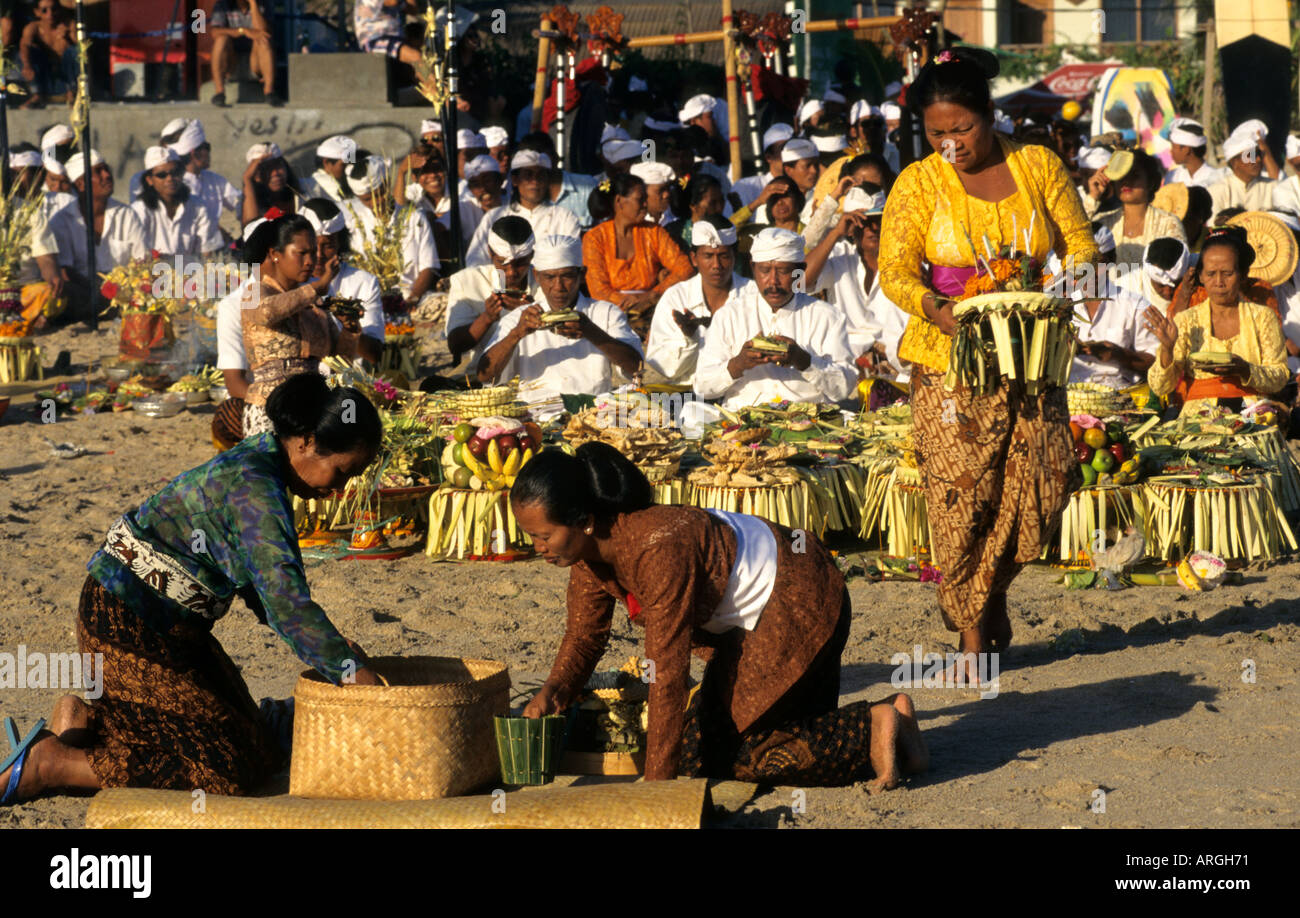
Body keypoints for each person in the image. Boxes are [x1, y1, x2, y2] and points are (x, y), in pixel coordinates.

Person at [0, 374, 383, 805]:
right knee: (221, 772)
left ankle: (85, 721)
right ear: (308, 442)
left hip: (172, 630)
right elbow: (287, 604)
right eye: (342, 473)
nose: (337, 491)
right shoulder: (255, 488)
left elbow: (264, 590)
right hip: (126, 621)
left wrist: (333, 655)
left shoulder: (262, 464)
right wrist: (354, 675)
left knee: (257, 748)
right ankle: (50, 762)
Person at [513, 443, 927, 788]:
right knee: (698, 751)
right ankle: (889, 725)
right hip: (758, 617)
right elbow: (585, 635)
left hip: (802, 600)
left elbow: (667, 671)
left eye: (543, 536)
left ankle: (874, 726)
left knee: (738, 758)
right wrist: (556, 689)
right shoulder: (586, 557)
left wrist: (657, 790)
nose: (537, 547)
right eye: (532, 536)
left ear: (584, 522)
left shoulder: (656, 546)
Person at [877, 47, 1098, 664]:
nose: (950, 144)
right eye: (937, 133)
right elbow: (894, 269)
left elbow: (1080, 244)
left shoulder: (1038, 165)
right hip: (949, 359)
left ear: (990, 115)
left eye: (962, 129)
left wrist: (1058, 290)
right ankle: (971, 630)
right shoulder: (918, 183)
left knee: (1045, 484)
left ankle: (991, 586)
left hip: (1030, 356)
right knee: (961, 496)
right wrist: (932, 305)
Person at [695, 227, 856, 409]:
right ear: (753, 268)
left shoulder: (827, 317)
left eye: (783, 271)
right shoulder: (729, 316)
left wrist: (804, 361)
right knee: (692, 413)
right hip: (741, 421)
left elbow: (843, 388)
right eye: (764, 271)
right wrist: (737, 365)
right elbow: (702, 387)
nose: (773, 282)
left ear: (799, 272)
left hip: (807, 422)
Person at [239, 214, 368, 436]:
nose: (311, 261)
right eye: (301, 253)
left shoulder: (316, 305)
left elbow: (339, 361)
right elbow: (267, 312)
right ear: (275, 254)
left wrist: (349, 330)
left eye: (313, 253)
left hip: (312, 409)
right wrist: (317, 287)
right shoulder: (255, 292)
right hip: (271, 409)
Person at [1145, 226, 1289, 415]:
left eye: (1228, 273)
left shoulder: (1262, 317)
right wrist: (1167, 349)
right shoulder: (1186, 320)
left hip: (1254, 417)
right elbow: (1160, 387)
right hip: (1198, 420)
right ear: (1201, 276)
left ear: (1243, 275)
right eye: (1211, 274)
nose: (1219, 282)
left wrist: (1245, 370)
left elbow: (1279, 377)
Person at [477, 234, 642, 396]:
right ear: (537, 277)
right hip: (535, 415)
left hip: (592, 412)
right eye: (549, 277)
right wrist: (516, 334)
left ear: (582, 275)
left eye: (567, 276)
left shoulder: (606, 313)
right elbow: (485, 376)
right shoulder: (519, 319)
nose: (558, 287)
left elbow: (636, 367)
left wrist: (592, 332)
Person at [803, 187, 910, 383]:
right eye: (863, 222)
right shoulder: (840, 255)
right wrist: (836, 233)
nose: (872, 229)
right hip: (848, 365)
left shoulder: (906, 259)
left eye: (877, 221)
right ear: (852, 228)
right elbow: (799, 282)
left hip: (896, 364)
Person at [644, 217, 751, 385]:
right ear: (694, 258)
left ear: (734, 257)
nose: (716, 265)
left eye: (723, 256)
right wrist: (689, 338)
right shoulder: (676, 298)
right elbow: (666, 369)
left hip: (739, 392)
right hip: (687, 396)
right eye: (708, 256)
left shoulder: (753, 296)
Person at [46, 150, 148, 320]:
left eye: (106, 169)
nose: (107, 175)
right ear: (80, 184)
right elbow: (65, 271)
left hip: (123, 291)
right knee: (64, 292)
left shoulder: (126, 214)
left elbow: (142, 262)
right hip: (85, 292)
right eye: (98, 171)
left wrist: (121, 290)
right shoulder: (61, 221)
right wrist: (102, 291)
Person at [582, 173, 694, 327]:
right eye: (640, 200)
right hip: (608, 316)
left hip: (654, 313)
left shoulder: (653, 232)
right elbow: (598, 290)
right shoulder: (595, 238)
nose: (645, 205)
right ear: (619, 202)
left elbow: (685, 267)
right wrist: (630, 302)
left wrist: (653, 295)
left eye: (645, 199)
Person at [1064, 226, 1159, 388]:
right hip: (1068, 395)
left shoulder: (1135, 305)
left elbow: (1154, 362)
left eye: (1098, 264)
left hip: (1119, 395)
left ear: (1111, 261)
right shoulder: (1061, 304)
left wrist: (1119, 355)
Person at [445, 215, 539, 369]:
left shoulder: (547, 281)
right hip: (485, 376)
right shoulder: (468, 281)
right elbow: (455, 346)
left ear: (531, 255)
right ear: (490, 252)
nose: (511, 272)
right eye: (502, 263)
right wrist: (487, 318)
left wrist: (535, 314)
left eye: (520, 263)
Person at [301, 198, 385, 360]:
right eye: (312, 245)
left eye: (328, 245)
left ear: (340, 243)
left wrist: (346, 324)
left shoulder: (364, 282)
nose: (318, 255)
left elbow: (374, 355)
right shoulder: (286, 283)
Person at [464, 151, 582, 266]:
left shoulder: (565, 217)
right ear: (515, 180)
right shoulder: (494, 216)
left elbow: (570, 261)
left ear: (547, 180)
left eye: (540, 175)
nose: (535, 181)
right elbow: (475, 261)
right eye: (528, 175)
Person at [1094, 148, 1185, 267]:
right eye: (1121, 175)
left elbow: (1177, 268)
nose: (1126, 181)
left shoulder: (1169, 223)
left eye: (1134, 175)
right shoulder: (1102, 222)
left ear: (1150, 181)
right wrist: (1093, 197)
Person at [132, 147, 223, 259]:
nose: (170, 178)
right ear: (149, 180)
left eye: (175, 173)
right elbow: (139, 257)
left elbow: (208, 253)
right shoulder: (139, 211)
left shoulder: (199, 206)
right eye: (162, 175)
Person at [1208, 124, 1298, 219]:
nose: (1258, 160)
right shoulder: (1217, 191)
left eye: (1258, 154)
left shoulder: (1274, 187)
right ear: (1234, 162)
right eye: (1250, 156)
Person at [209, 0, 280, 107]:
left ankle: (269, 91)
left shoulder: (264, 4)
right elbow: (214, 32)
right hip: (231, 62)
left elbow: (263, 30)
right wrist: (243, 31)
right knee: (221, 39)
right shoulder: (222, 5)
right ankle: (220, 92)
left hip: (256, 62)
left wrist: (253, 4)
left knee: (263, 39)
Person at [172, 120, 241, 229]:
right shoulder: (175, 183)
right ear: (194, 153)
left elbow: (238, 201)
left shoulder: (214, 179)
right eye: (207, 148)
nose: (209, 154)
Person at [18, 0, 75, 108]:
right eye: (45, 10)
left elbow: (82, 51)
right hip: (45, 78)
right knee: (28, 52)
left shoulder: (68, 25)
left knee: (73, 51)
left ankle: (72, 94)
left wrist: (69, 38)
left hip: (65, 78)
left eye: (53, 9)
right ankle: (37, 94)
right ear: (37, 12)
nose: (50, 14)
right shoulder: (33, 28)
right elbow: (24, 46)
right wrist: (27, 65)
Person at [730, 124, 794, 210]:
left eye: (794, 149)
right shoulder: (745, 187)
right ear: (769, 157)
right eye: (783, 149)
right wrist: (758, 202)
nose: (790, 155)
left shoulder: (808, 183)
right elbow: (730, 222)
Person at [663, 172, 725, 254]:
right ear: (693, 205)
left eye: (722, 201)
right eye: (712, 203)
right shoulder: (672, 234)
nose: (719, 208)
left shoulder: (726, 230)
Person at [241, 143, 301, 224]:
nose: (275, 173)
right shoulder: (249, 201)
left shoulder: (307, 188)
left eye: (278, 166)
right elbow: (250, 227)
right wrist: (247, 179)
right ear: (255, 176)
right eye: (267, 169)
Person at [354, 0, 423, 67]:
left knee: (417, 40)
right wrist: (404, 3)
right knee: (416, 58)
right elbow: (392, 2)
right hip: (375, 39)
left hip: (395, 37)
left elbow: (413, 9)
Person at [1165, 118, 1226, 189]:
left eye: (1173, 147)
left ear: (1186, 150)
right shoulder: (1173, 176)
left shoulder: (1217, 178)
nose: (1171, 151)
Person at [300, 135, 357, 204]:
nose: (350, 168)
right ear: (326, 163)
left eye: (352, 164)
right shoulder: (323, 187)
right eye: (344, 165)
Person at [629, 161, 677, 226]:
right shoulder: (631, 225)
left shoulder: (676, 220)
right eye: (660, 191)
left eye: (668, 188)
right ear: (642, 193)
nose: (667, 194)